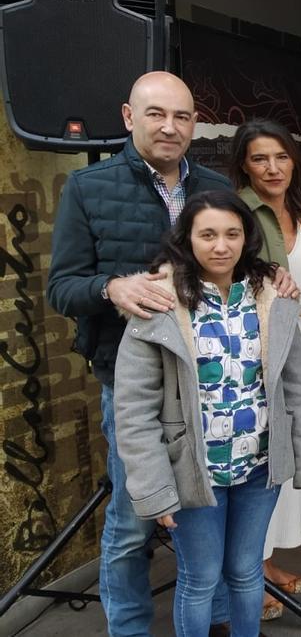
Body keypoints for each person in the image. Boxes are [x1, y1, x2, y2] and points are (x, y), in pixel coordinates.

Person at [45, 71, 235, 636]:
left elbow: (234, 262)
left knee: (207, 511)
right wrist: (113, 288)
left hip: (210, 378)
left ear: (194, 124)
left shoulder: (211, 186)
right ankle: (128, 630)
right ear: (130, 118)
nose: (170, 127)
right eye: (156, 114)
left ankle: (219, 618)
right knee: (133, 520)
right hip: (133, 384)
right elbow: (62, 287)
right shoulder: (89, 188)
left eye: (181, 116)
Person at [114, 190, 301, 637]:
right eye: (207, 234)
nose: (220, 245)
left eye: (232, 233)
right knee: (200, 578)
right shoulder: (159, 304)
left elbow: (298, 387)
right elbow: (134, 410)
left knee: (247, 571)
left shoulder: (273, 296)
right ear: (187, 238)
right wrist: (154, 489)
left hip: (257, 467)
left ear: (246, 237)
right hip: (194, 473)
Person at [228, 118, 301, 621]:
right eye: (260, 158)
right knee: (264, 458)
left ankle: (265, 561)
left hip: (299, 340)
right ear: (244, 163)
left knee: (289, 460)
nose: (272, 167)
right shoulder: (238, 211)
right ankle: (250, 570)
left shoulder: (300, 211)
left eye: (281, 156)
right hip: (261, 350)